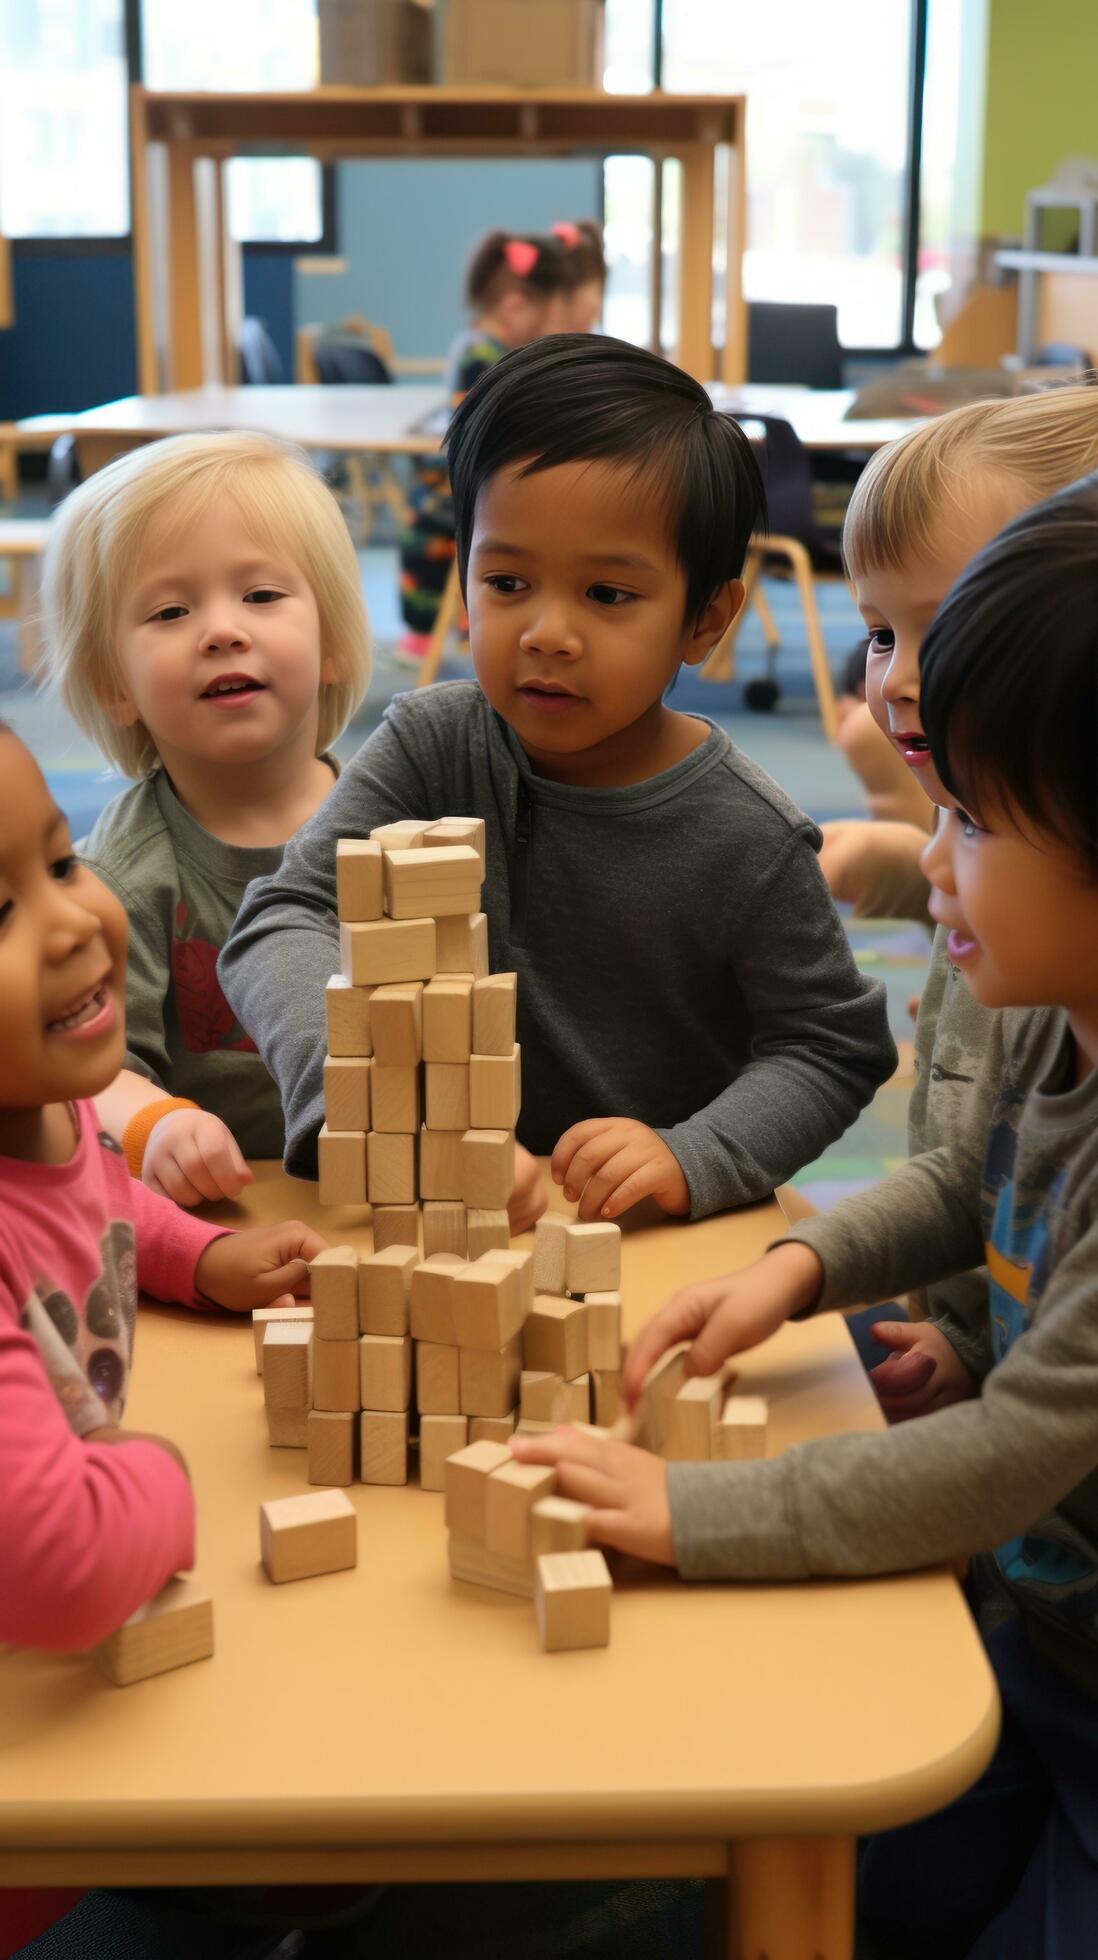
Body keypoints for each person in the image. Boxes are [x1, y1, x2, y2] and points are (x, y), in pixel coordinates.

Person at [512, 479, 1098, 1958]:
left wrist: (688, 1514)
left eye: (966, 816)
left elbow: (1006, 1452)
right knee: (856, 1876)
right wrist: (794, 1266)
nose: (930, 859)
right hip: (1042, 1622)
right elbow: (963, 1185)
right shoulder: (1050, 1019)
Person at [221, 334, 895, 1225]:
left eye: (608, 596)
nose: (547, 632)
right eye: (506, 580)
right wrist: (364, 1099)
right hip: (439, 1219)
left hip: (640, 1240)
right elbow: (284, 917)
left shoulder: (749, 836)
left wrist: (691, 1155)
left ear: (706, 619)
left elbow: (829, 1045)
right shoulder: (434, 745)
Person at [0, 721, 327, 1957]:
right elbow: (61, 1559)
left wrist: (200, 1257)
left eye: (61, 860)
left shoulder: (42, 1110)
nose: (75, 920)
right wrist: (164, 1476)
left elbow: (94, 1196)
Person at [38, 430, 371, 1207]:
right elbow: (84, 1072)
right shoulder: (121, 877)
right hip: (228, 1215)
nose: (222, 630)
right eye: (171, 610)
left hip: (392, 1198)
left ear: (331, 644)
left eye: (260, 595)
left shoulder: (402, 825)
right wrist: (156, 1123)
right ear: (115, 685)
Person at [820, 384, 1098, 926]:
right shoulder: (981, 790)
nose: (892, 682)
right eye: (881, 636)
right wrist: (902, 873)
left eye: (950, 631)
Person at [397, 229, 572, 662]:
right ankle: (452, 622)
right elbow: (489, 435)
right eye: (539, 319)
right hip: (465, 489)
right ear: (513, 307)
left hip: (472, 481)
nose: (540, 330)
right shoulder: (485, 355)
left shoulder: (476, 344)